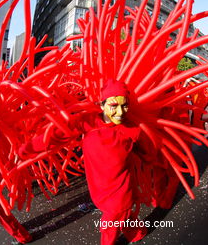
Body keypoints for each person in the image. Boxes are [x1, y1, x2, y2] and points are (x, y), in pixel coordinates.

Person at [19, 79, 147, 245]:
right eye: (114, 106)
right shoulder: (87, 122)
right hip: (99, 189)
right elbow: (56, 135)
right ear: (102, 105)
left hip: (120, 191)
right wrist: (25, 150)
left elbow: (148, 153)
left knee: (111, 224)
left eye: (125, 105)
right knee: (124, 215)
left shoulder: (132, 130)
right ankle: (137, 232)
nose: (121, 112)